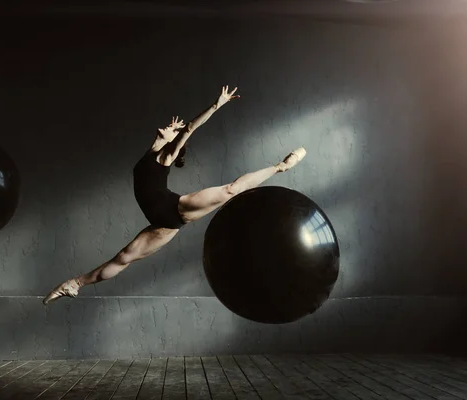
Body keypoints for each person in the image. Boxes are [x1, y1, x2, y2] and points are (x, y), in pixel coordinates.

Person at [43, 86, 307, 304]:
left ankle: (281, 166)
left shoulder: (164, 156)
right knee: (123, 258)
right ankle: (74, 284)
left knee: (231, 190)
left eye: (173, 132)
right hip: (162, 224)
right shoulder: (149, 154)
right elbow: (173, 133)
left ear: (173, 143)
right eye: (171, 128)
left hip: (176, 209)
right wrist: (167, 134)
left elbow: (190, 127)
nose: (171, 127)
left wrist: (217, 105)